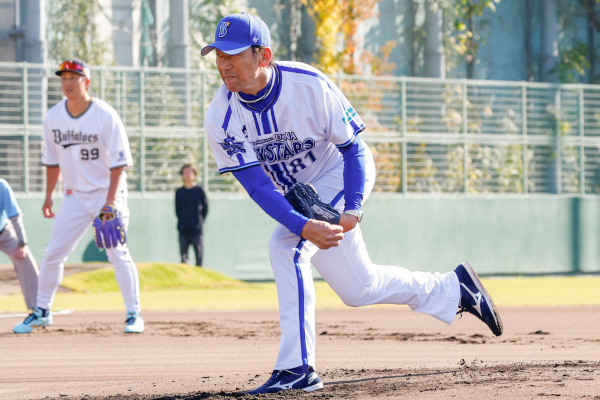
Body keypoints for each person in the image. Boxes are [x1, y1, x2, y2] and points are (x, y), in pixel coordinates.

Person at [202, 12, 503, 394]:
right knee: (359, 288)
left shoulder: (308, 85)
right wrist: (303, 224)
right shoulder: (220, 115)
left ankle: (297, 368)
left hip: (338, 174)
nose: (223, 63)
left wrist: (353, 209)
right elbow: (259, 187)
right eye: (218, 54)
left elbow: (353, 150)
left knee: (285, 248)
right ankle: (452, 288)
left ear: (264, 56)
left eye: (233, 53)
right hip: (300, 197)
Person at [12, 58, 144, 334]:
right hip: (73, 196)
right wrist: (49, 196)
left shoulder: (105, 115)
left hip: (106, 193)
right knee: (52, 254)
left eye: (73, 77)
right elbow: (52, 162)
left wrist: (110, 203)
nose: (68, 83)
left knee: (116, 251)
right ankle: (42, 310)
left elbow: (119, 164)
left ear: (87, 81)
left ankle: (133, 313)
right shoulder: (53, 117)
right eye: (64, 78)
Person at [0, 178, 39, 310]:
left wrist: (22, 244)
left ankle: (38, 307)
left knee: (25, 259)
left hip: (4, 232)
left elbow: (15, 217)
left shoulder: (2, 186)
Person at [175, 164, 208, 266]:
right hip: (183, 229)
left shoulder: (199, 191)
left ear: (194, 174)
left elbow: (205, 209)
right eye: (185, 173)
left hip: (197, 230)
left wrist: (199, 222)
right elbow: (177, 210)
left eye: (190, 172)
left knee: (199, 256)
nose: (188, 175)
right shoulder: (179, 192)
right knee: (184, 258)